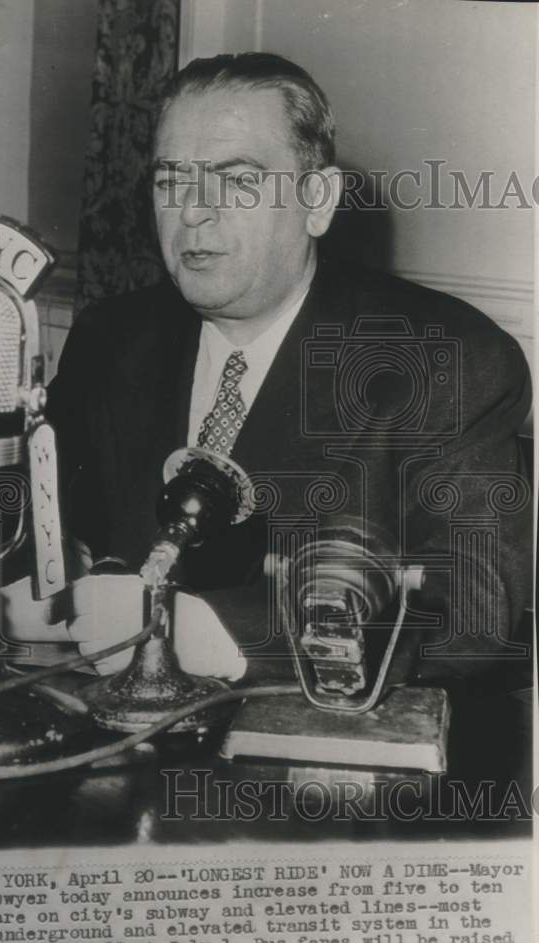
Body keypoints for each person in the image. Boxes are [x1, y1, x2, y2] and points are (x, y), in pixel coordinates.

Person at [46, 52, 531, 682]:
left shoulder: (448, 362)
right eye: (170, 181)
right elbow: (43, 529)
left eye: (237, 180)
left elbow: (473, 621)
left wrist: (209, 634)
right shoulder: (109, 339)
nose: (192, 210)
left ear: (318, 200)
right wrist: (28, 586)